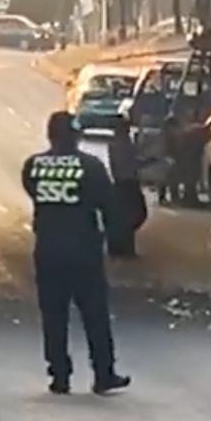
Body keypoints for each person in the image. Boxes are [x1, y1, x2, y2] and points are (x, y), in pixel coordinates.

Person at [22, 112, 130, 396]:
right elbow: (109, 207)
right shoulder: (90, 167)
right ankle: (103, 374)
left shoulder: (34, 166)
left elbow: (35, 194)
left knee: (53, 315)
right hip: (84, 250)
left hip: (46, 249)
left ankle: (59, 375)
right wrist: (116, 245)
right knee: (95, 315)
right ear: (74, 135)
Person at [107, 115, 147, 258]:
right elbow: (131, 163)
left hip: (122, 183)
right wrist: (150, 161)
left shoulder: (118, 142)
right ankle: (124, 248)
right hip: (127, 183)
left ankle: (122, 247)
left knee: (126, 217)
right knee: (134, 215)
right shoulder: (121, 144)